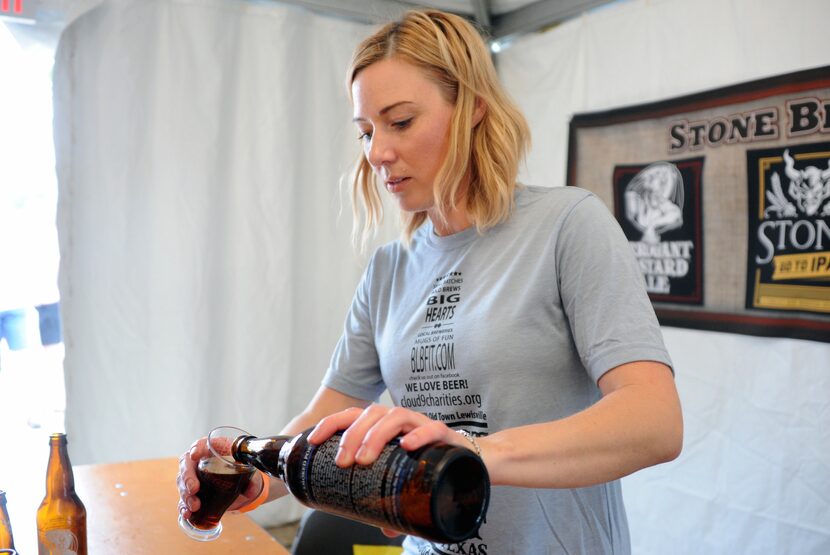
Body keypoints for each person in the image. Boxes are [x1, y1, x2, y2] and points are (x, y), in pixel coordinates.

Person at [177, 9, 683, 555]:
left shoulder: (566, 226)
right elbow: (323, 418)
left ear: (472, 109)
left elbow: (654, 421)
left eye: (400, 121)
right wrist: (259, 472)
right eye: (367, 131)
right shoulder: (388, 270)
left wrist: (474, 452)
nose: (377, 153)